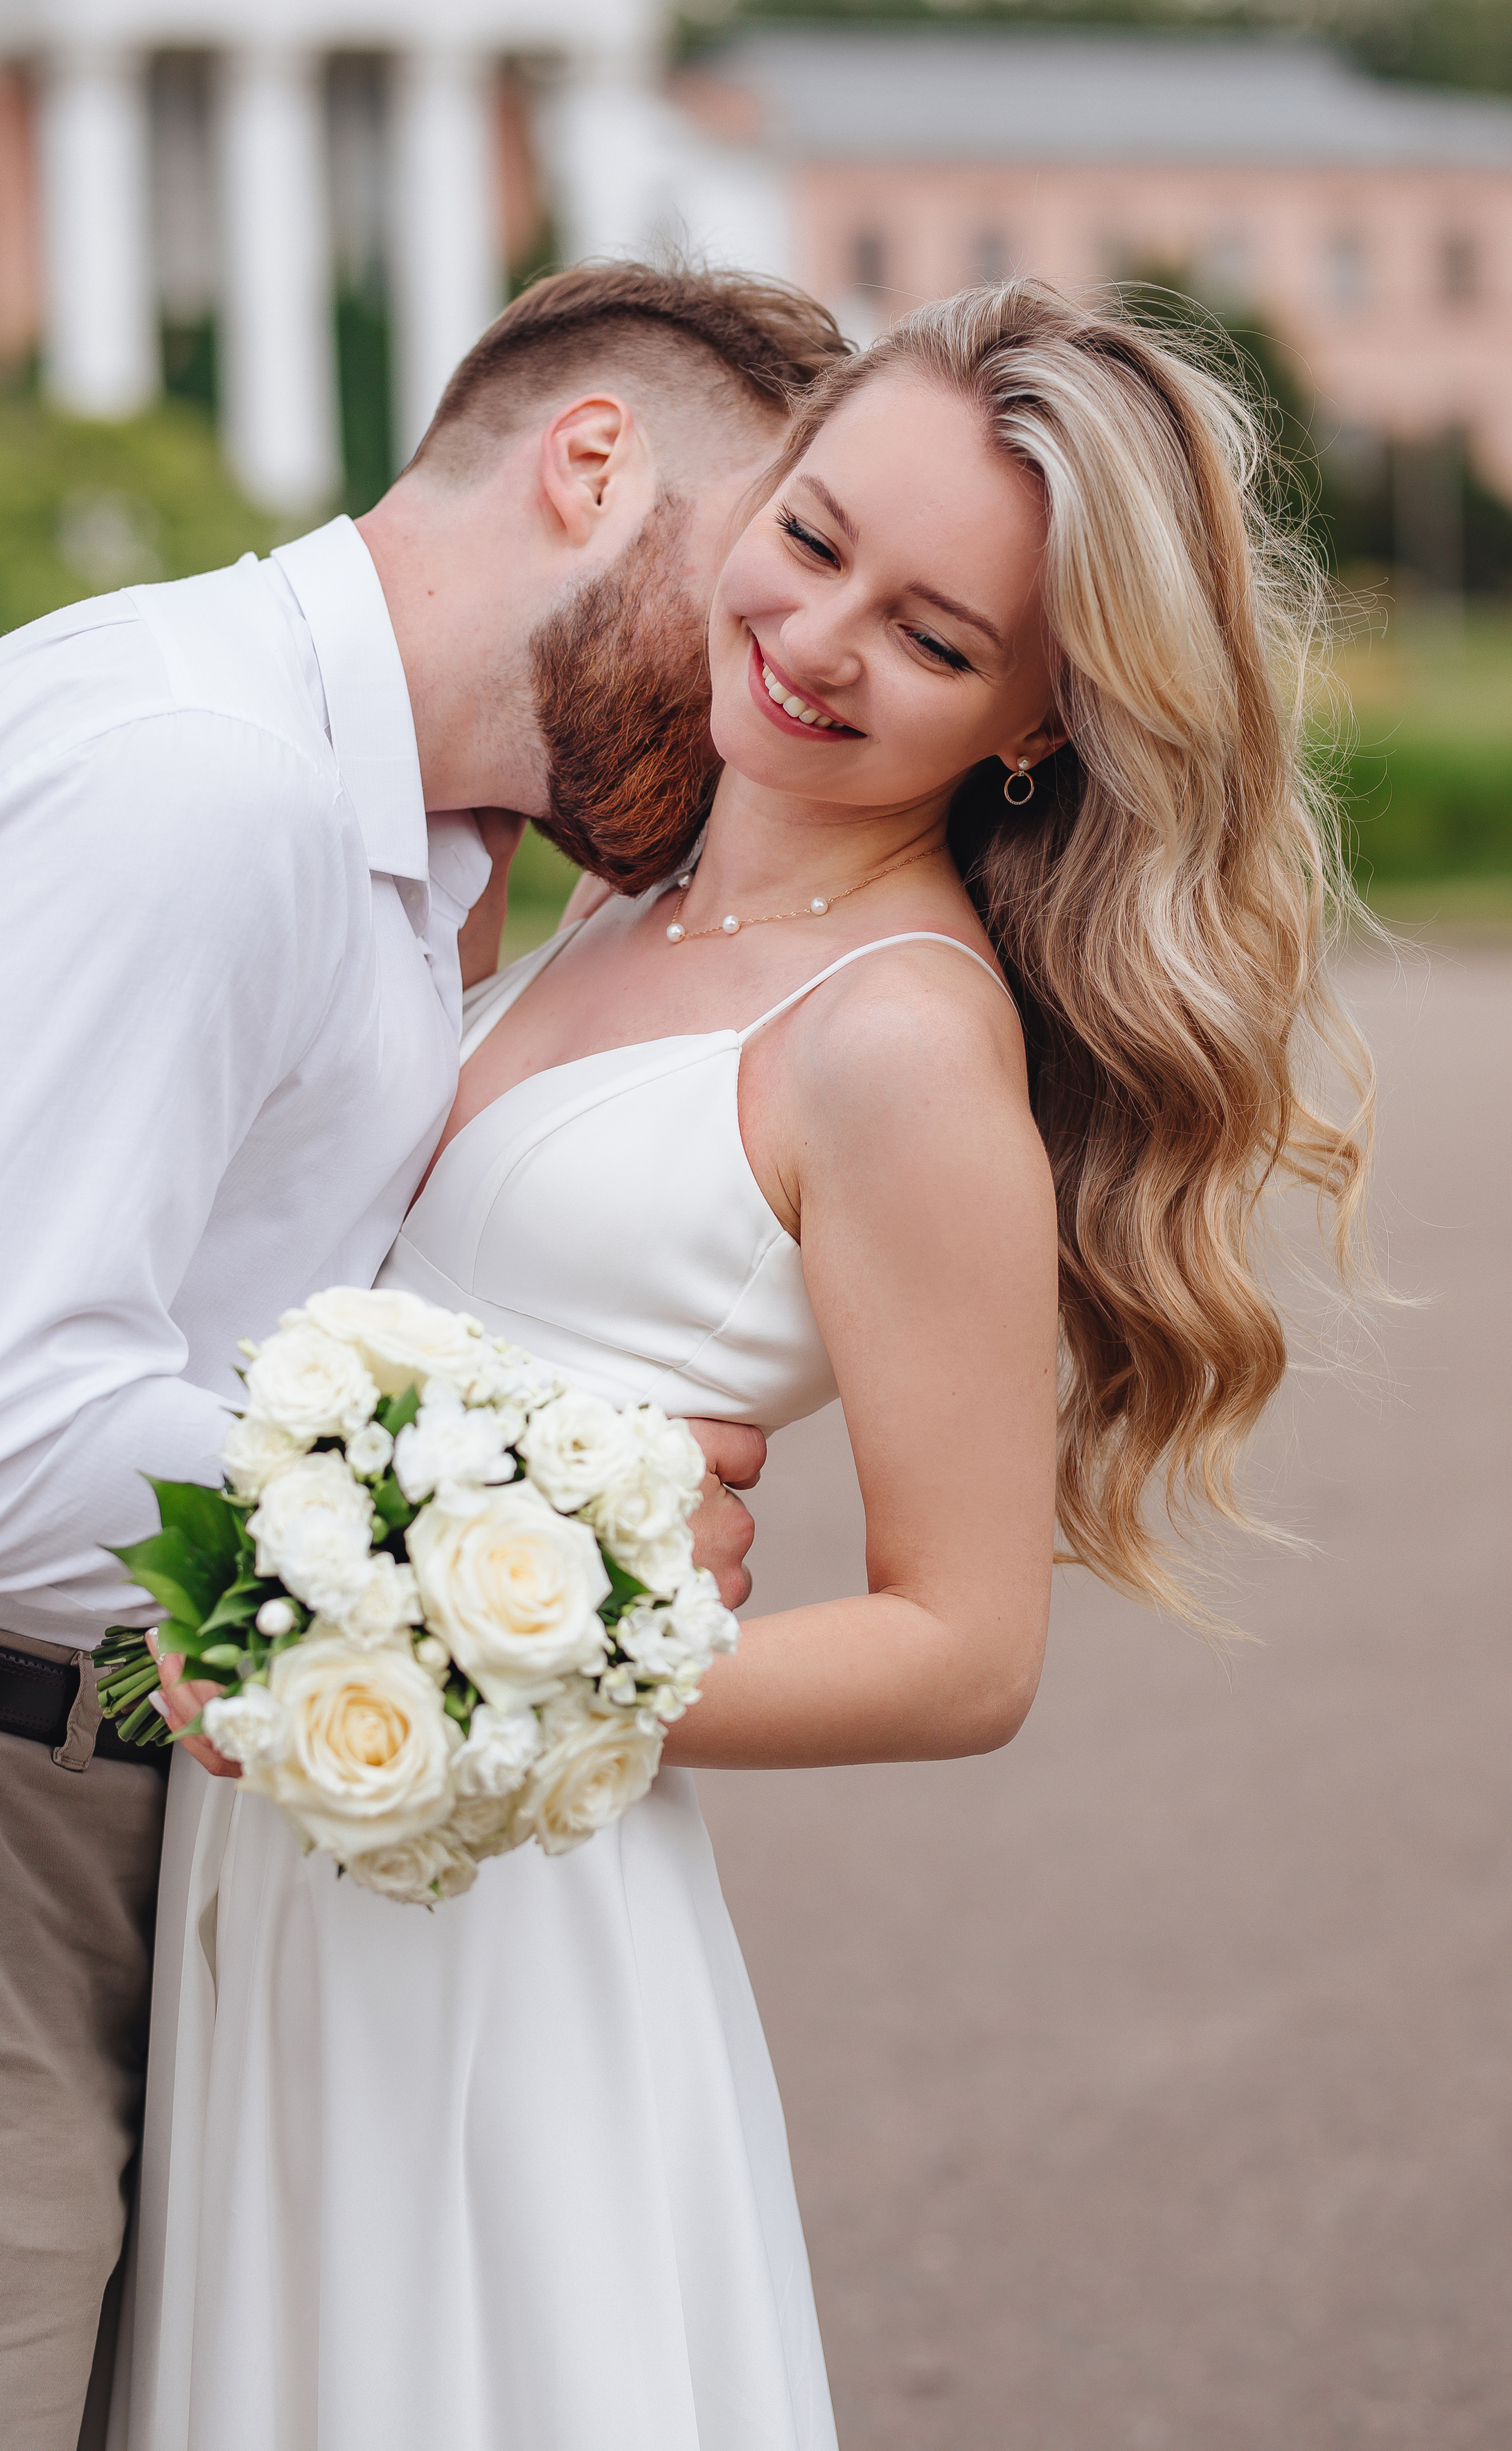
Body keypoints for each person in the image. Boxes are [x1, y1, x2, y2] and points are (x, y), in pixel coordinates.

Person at [127, 276, 1374, 2451]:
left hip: (504, 1910)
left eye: (937, 638)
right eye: (811, 540)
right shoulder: (609, 888)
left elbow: (963, 1649)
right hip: (286, 1848)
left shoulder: (896, 1040)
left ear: (1038, 724)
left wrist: (453, 1655)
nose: (816, 644)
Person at [0, 260, 852, 2451]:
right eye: (761, 581)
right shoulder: (201, 783)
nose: (764, 691)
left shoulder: (412, 852)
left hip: (37, 1793)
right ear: (593, 461)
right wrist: (554, 1517)